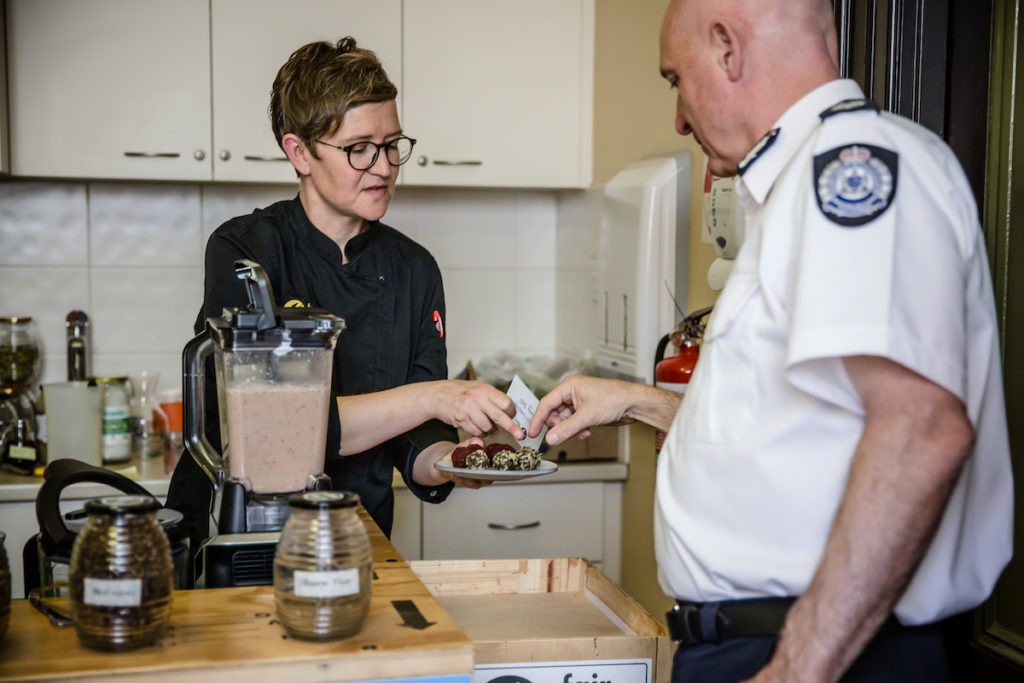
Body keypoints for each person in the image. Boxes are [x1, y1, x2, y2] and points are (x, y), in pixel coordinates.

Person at [528, 1, 1013, 681]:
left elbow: (921, 430)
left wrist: (796, 668)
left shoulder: (852, 170)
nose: (677, 117)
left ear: (728, 47)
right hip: (767, 643)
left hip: (820, 650)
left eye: (675, 80)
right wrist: (634, 401)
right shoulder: (796, 188)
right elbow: (794, 430)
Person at [167, 37, 522, 556]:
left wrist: (455, 458)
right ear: (299, 152)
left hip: (357, 539)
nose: (383, 166)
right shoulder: (244, 252)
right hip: (243, 537)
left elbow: (415, 437)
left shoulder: (414, 269)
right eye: (359, 148)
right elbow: (273, 434)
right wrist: (434, 395)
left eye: (392, 144)